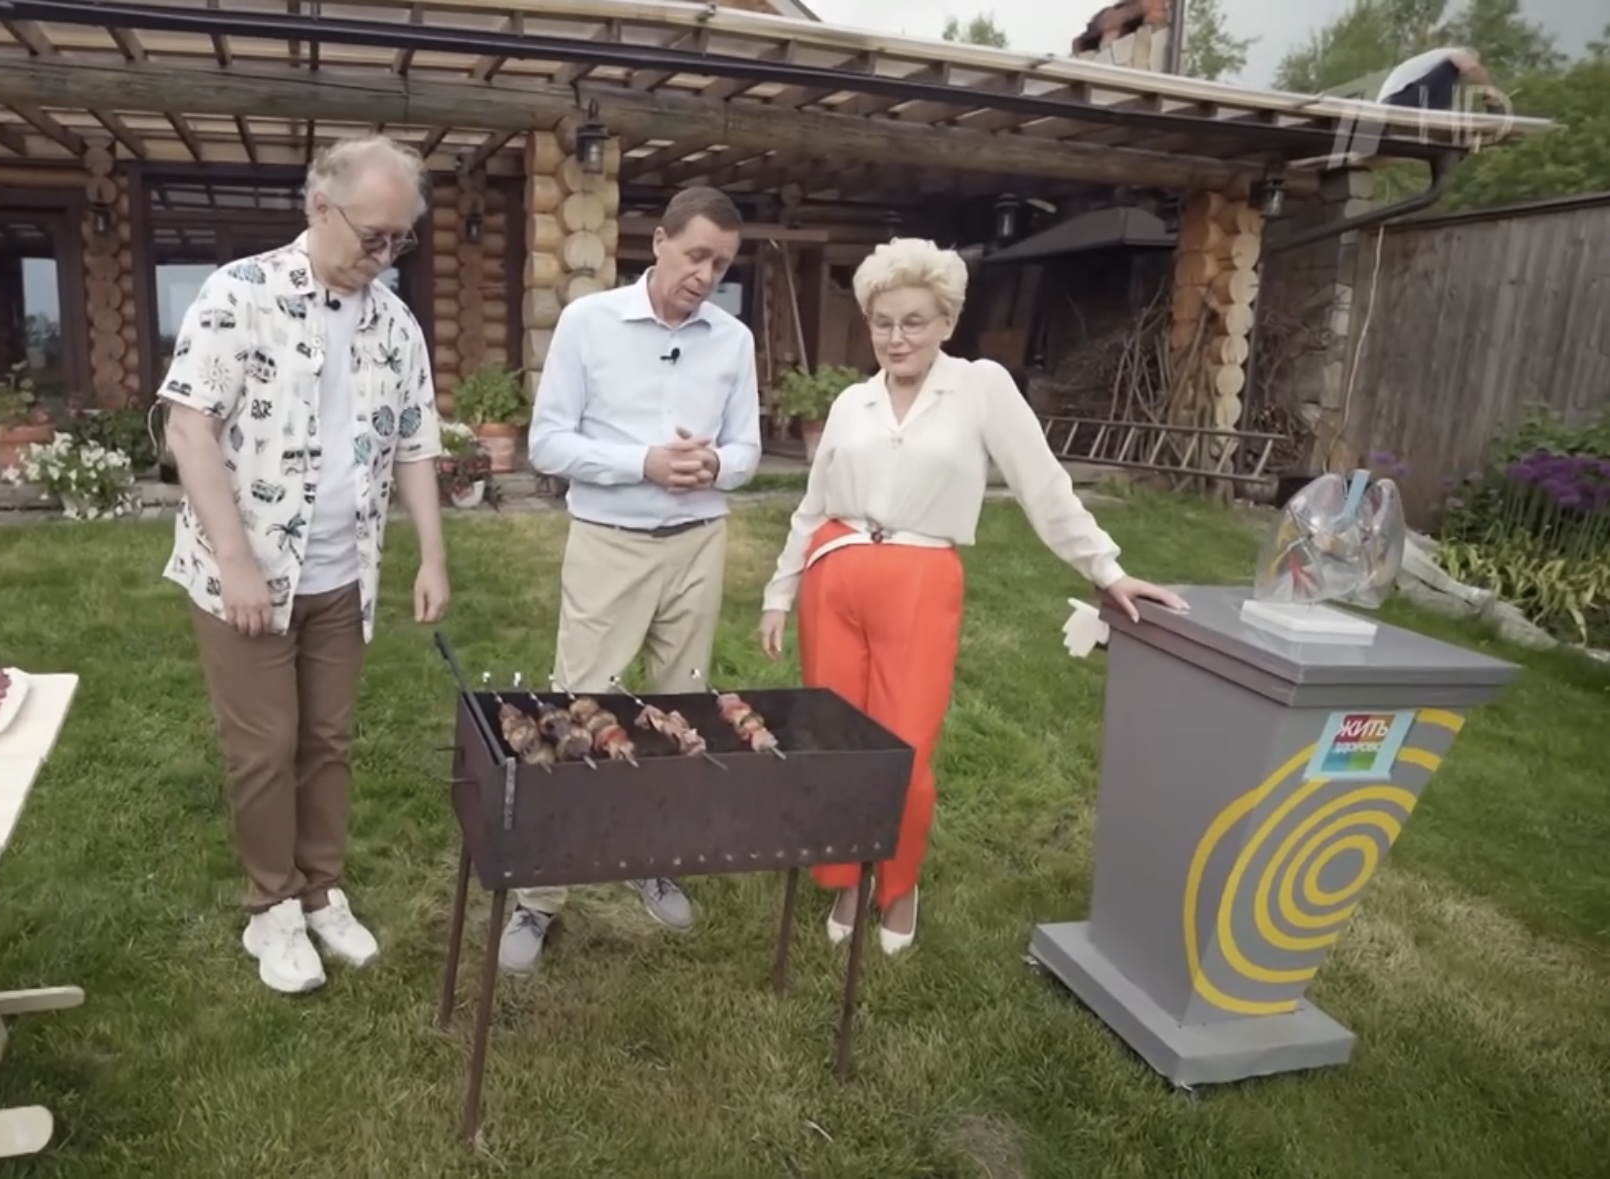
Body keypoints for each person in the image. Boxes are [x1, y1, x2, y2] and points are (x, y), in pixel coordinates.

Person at [756, 236, 1186, 957]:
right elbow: (813, 503)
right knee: (833, 742)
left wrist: (1106, 569)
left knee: (905, 747)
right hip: (835, 576)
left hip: (921, 581)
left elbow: (1044, 485)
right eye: (883, 322)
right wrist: (780, 591)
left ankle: (898, 883)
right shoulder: (853, 400)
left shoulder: (981, 388)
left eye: (913, 321)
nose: (897, 337)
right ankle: (847, 877)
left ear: (947, 320)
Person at [158, 135, 451, 995]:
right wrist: (237, 560)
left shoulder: (396, 324)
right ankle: (272, 906)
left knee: (327, 740)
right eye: (373, 235)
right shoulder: (239, 294)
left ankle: (321, 890)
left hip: (343, 574)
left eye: (400, 239)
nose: (385, 254)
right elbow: (189, 428)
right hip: (244, 574)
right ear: (320, 206)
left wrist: (431, 556)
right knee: (264, 746)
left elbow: (415, 443)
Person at [500, 185, 764, 974]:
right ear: (658, 242)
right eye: (696, 256)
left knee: (678, 713)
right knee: (576, 711)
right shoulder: (589, 323)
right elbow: (548, 443)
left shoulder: (733, 340)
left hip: (698, 545)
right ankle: (539, 895)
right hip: (609, 542)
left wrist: (716, 465)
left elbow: (748, 450)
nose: (705, 275)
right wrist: (641, 462)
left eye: (721, 264)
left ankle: (650, 857)